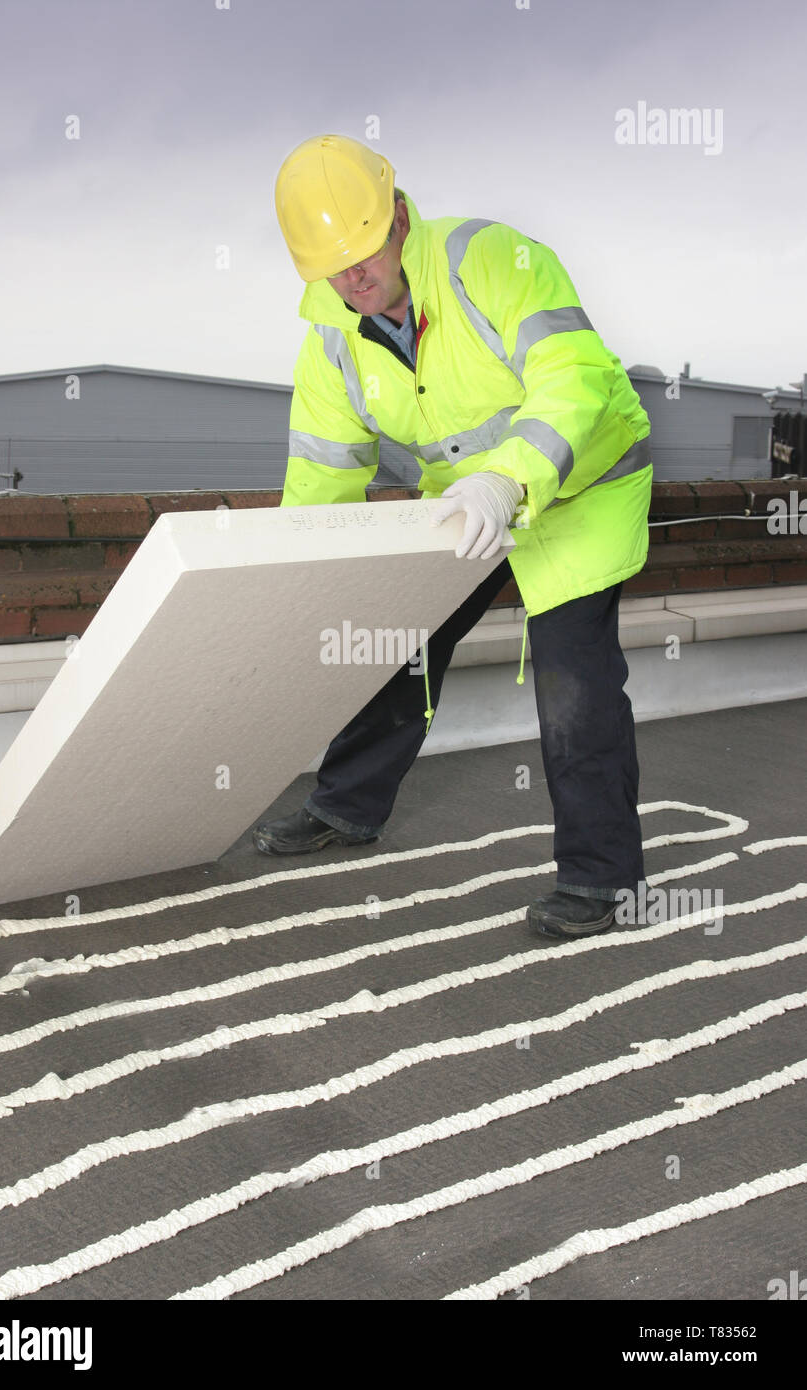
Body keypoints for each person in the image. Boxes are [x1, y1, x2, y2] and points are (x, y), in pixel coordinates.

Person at [256, 132, 652, 941]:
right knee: (395, 642)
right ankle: (345, 808)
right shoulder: (331, 334)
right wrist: (300, 575)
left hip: (578, 490)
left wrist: (510, 478)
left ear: (399, 217)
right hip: (466, 505)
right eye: (332, 266)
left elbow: (574, 381)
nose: (353, 277)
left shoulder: (491, 260)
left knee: (574, 686)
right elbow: (323, 470)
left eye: (363, 253)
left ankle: (602, 879)